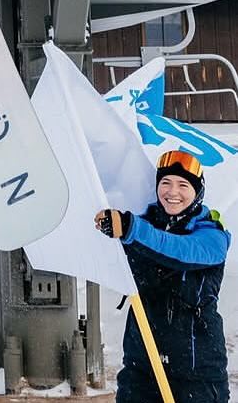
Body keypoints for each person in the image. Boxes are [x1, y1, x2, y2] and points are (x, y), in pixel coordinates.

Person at [96, 149, 231, 403]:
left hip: (197, 376)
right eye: (165, 182)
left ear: (198, 192)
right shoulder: (139, 225)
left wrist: (131, 229)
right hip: (142, 368)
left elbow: (179, 250)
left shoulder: (213, 236)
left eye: (183, 185)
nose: (172, 192)